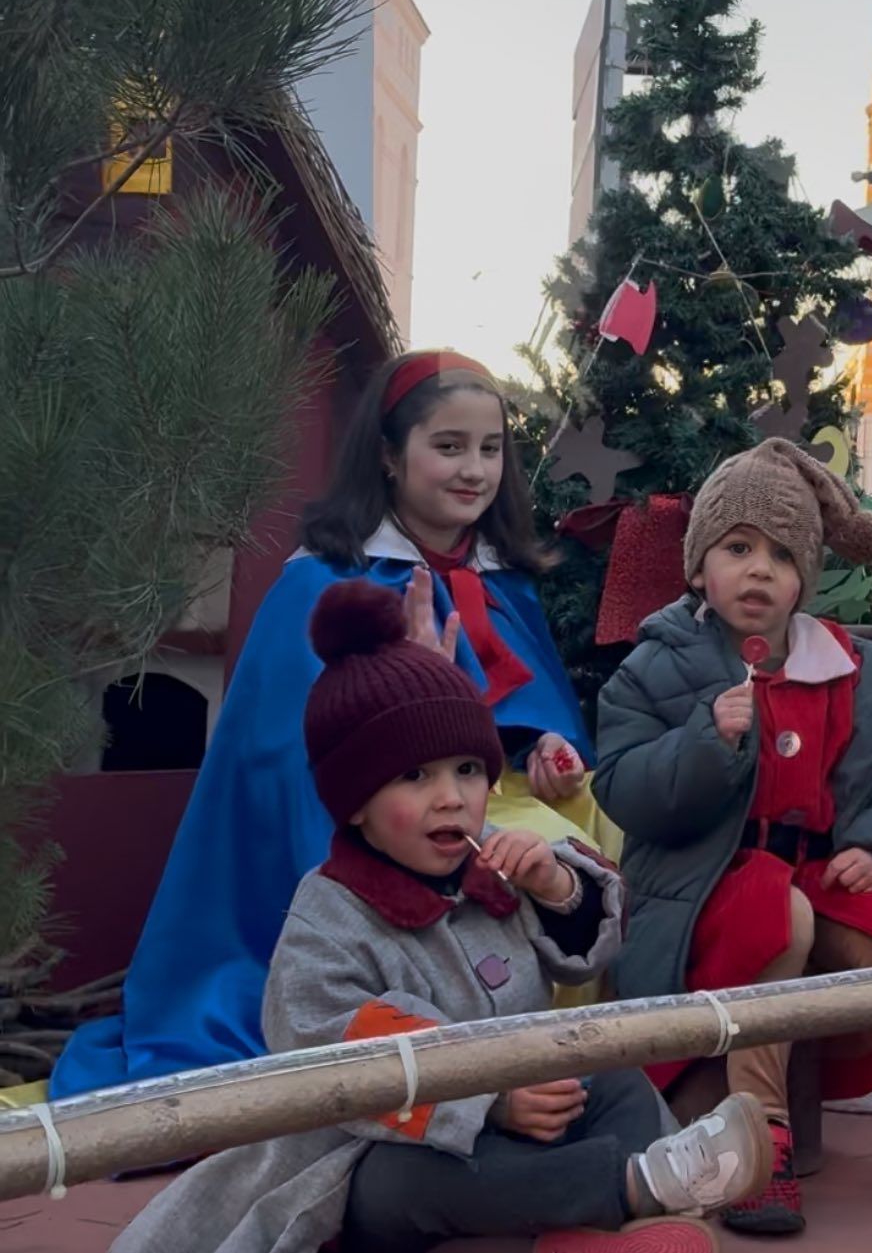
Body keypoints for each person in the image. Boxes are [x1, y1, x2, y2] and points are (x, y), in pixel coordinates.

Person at [110, 579, 772, 1253]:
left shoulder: (494, 869)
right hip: (382, 1146)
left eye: (467, 769)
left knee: (613, 1082)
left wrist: (554, 884)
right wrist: (487, 1100)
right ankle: (632, 1192)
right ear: (355, 802)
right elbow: (340, 1056)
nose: (451, 798)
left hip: (526, 1111)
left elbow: (591, 946)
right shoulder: (330, 913)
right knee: (408, 1181)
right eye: (416, 777)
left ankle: (599, 1231)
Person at [55, 350, 618, 1099]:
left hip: (481, 786)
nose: (474, 470)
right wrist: (411, 692)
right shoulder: (321, 579)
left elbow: (526, 710)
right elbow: (291, 753)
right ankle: (461, 1064)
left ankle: (549, 1050)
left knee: (587, 826)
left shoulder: (499, 577)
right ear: (389, 455)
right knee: (533, 845)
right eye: (448, 447)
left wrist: (549, 747)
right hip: (375, 807)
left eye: (489, 449)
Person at [593, 439, 872, 1236]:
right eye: (738, 548)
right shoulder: (655, 668)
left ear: (806, 578)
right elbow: (623, 784)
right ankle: (761, 1138)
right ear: (698, 566)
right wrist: (704, 742)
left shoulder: (857, 671)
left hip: (825, 875)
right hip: (703, 891)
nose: (759, 570)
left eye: (783, 555)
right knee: (774, 915)